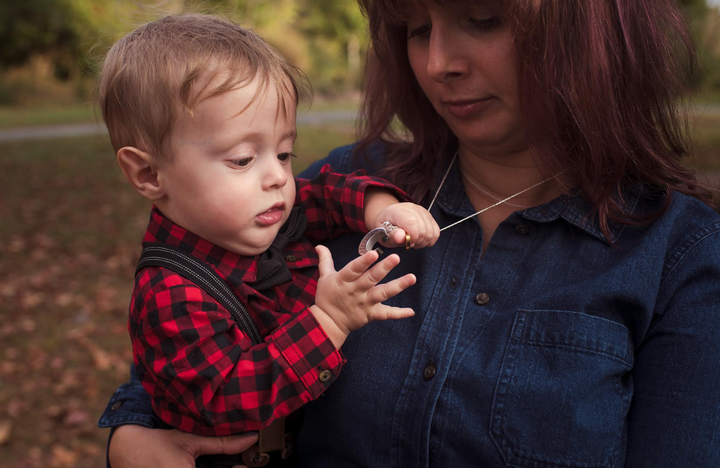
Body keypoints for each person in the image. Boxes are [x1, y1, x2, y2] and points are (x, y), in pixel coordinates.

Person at [99, 0, 720, 467]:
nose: (436, 63)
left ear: (587, 29)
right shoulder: (342, 184)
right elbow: (186, 339)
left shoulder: (678, 252)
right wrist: (127, 439)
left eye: (481, 18)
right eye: (418, 28)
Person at [95, 12, 441, 462]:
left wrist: (382, 208)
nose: (278, 177)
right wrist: (330, 321)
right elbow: (227, 401)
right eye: (242, 159)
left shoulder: (254, 217)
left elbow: (323, 195)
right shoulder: (172, 293)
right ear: (148, 173)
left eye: (284, 152)